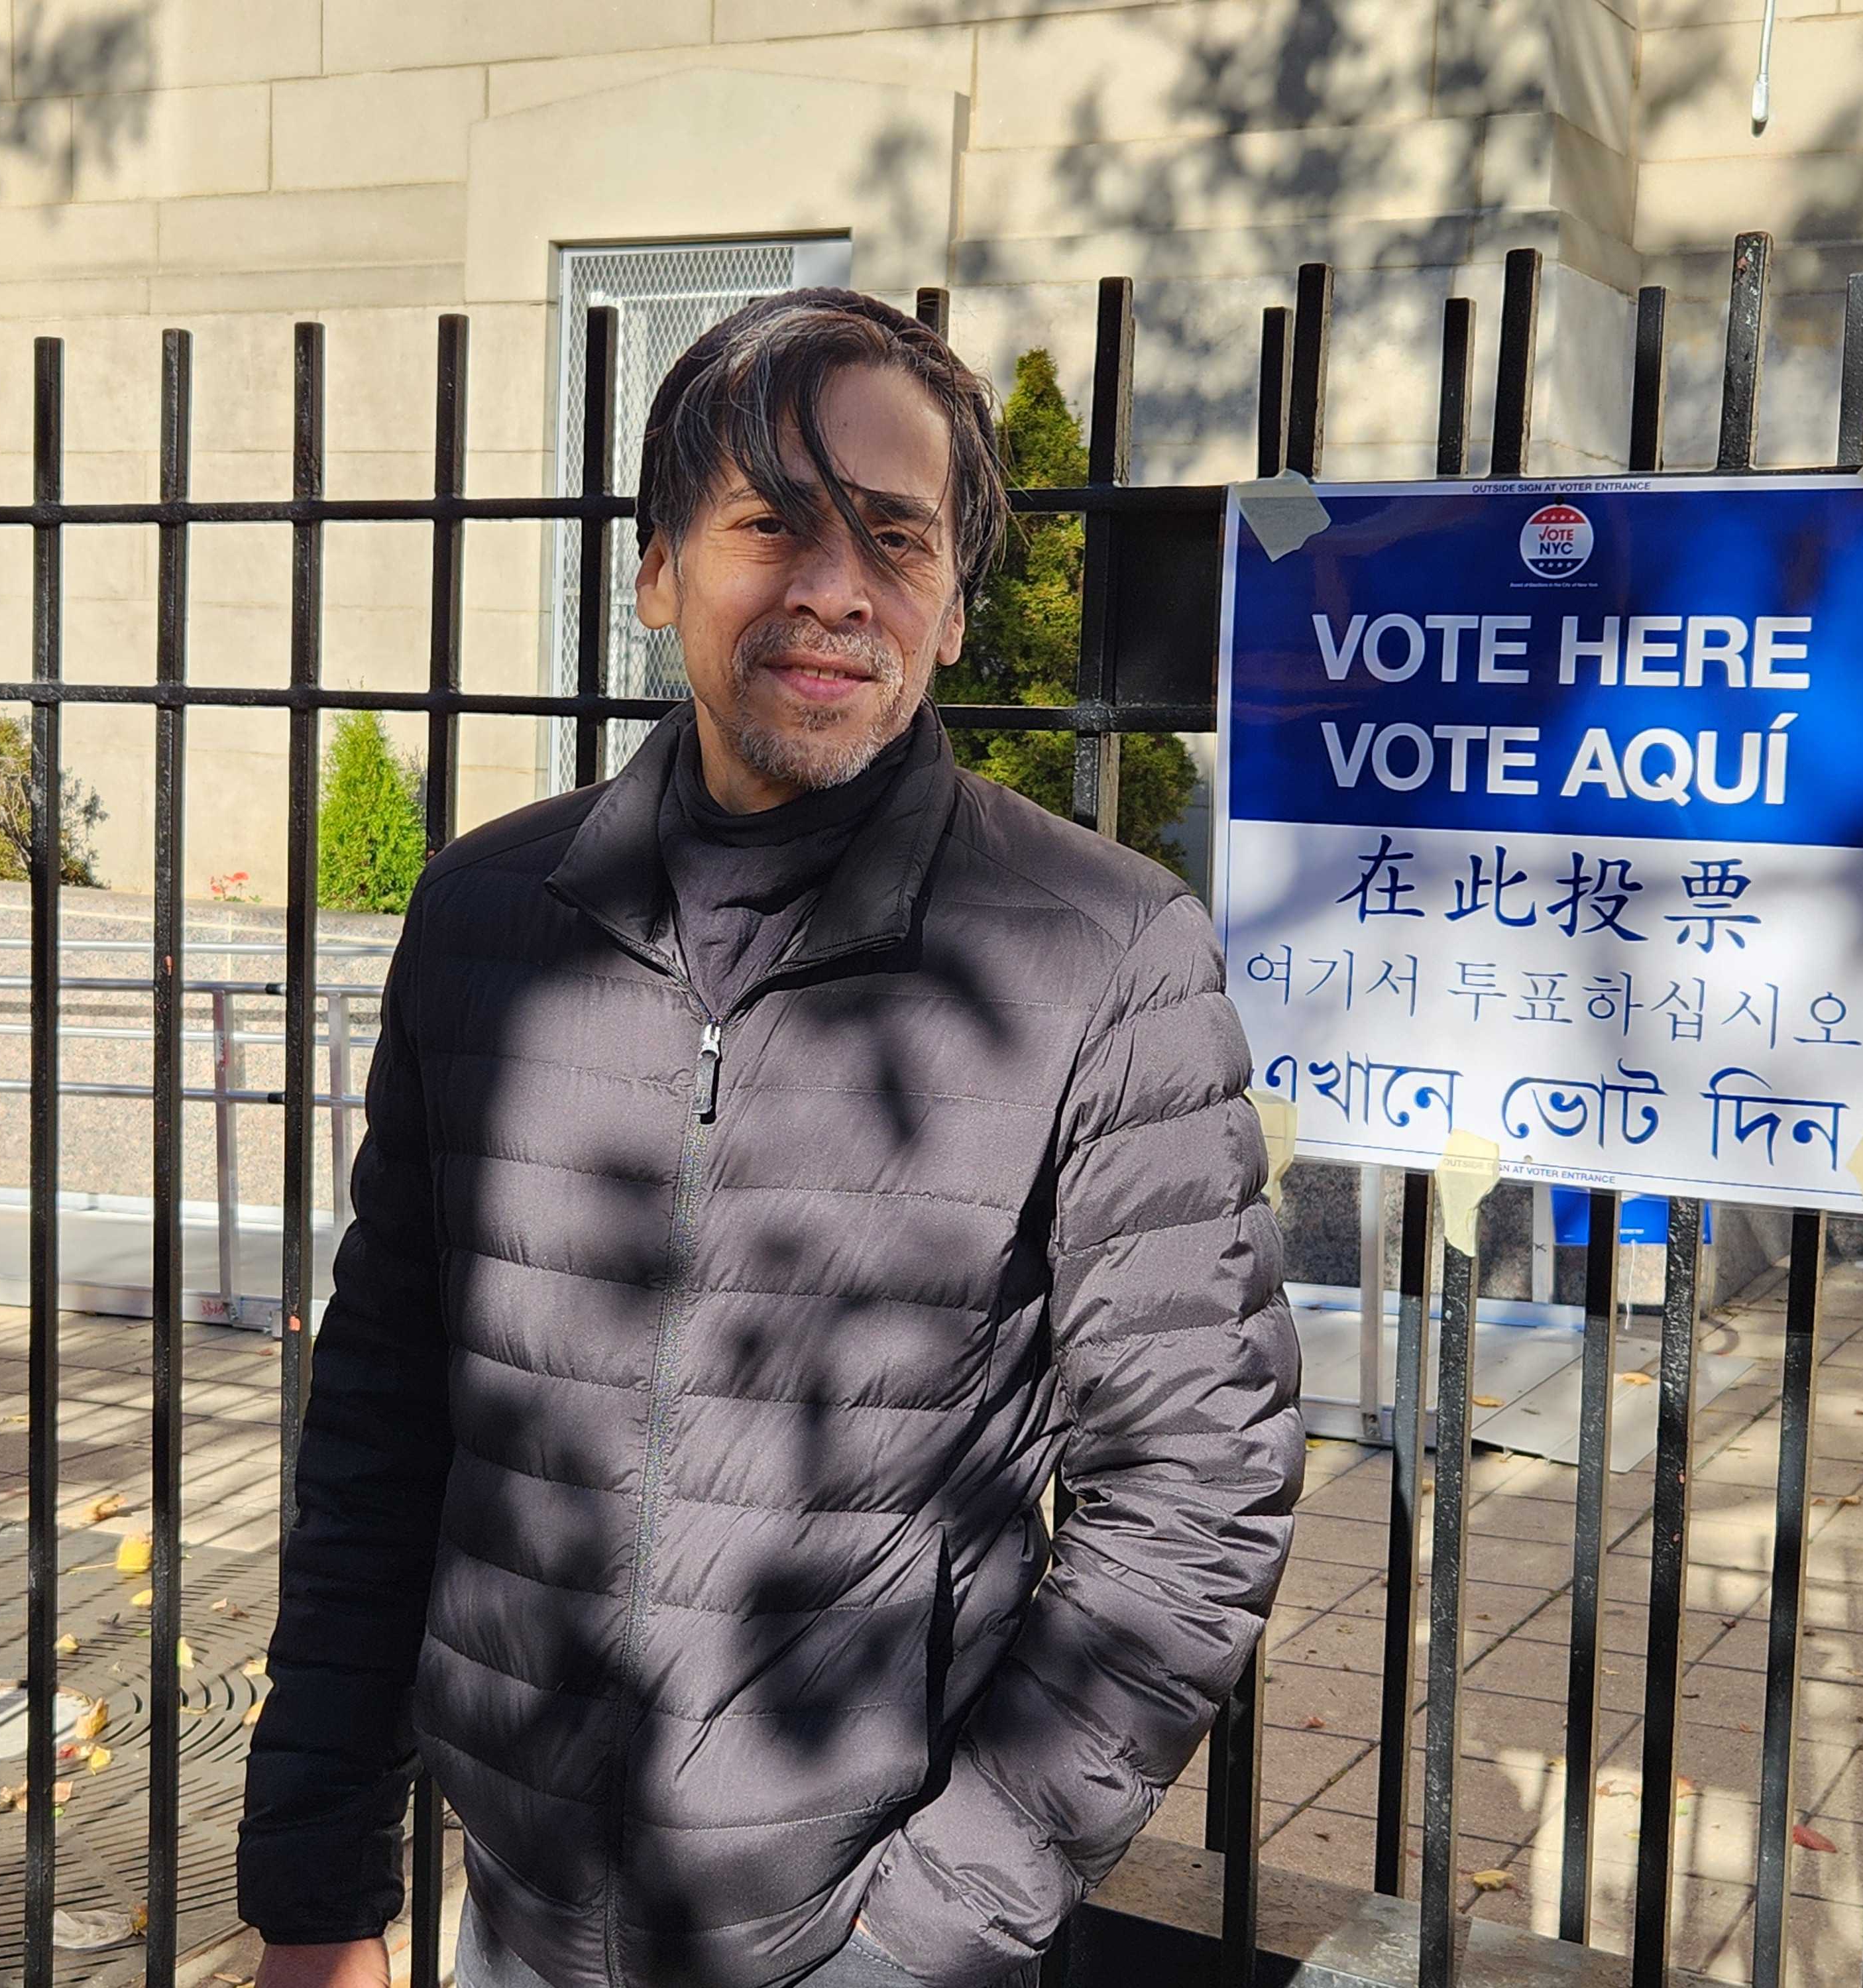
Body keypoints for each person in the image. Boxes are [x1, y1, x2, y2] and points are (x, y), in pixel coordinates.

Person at [237, 289, 1303, 1988]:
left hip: (865, 1944)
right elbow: (380, 1418)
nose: (832, 589)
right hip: (512, 1919)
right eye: (769, 524)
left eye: (893, 537)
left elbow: (1192, 1492)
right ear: (657, 569)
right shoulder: (485, 917)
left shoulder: (1100, 953)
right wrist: (314, 1884)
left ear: (951, 606)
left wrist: (931, 1929)